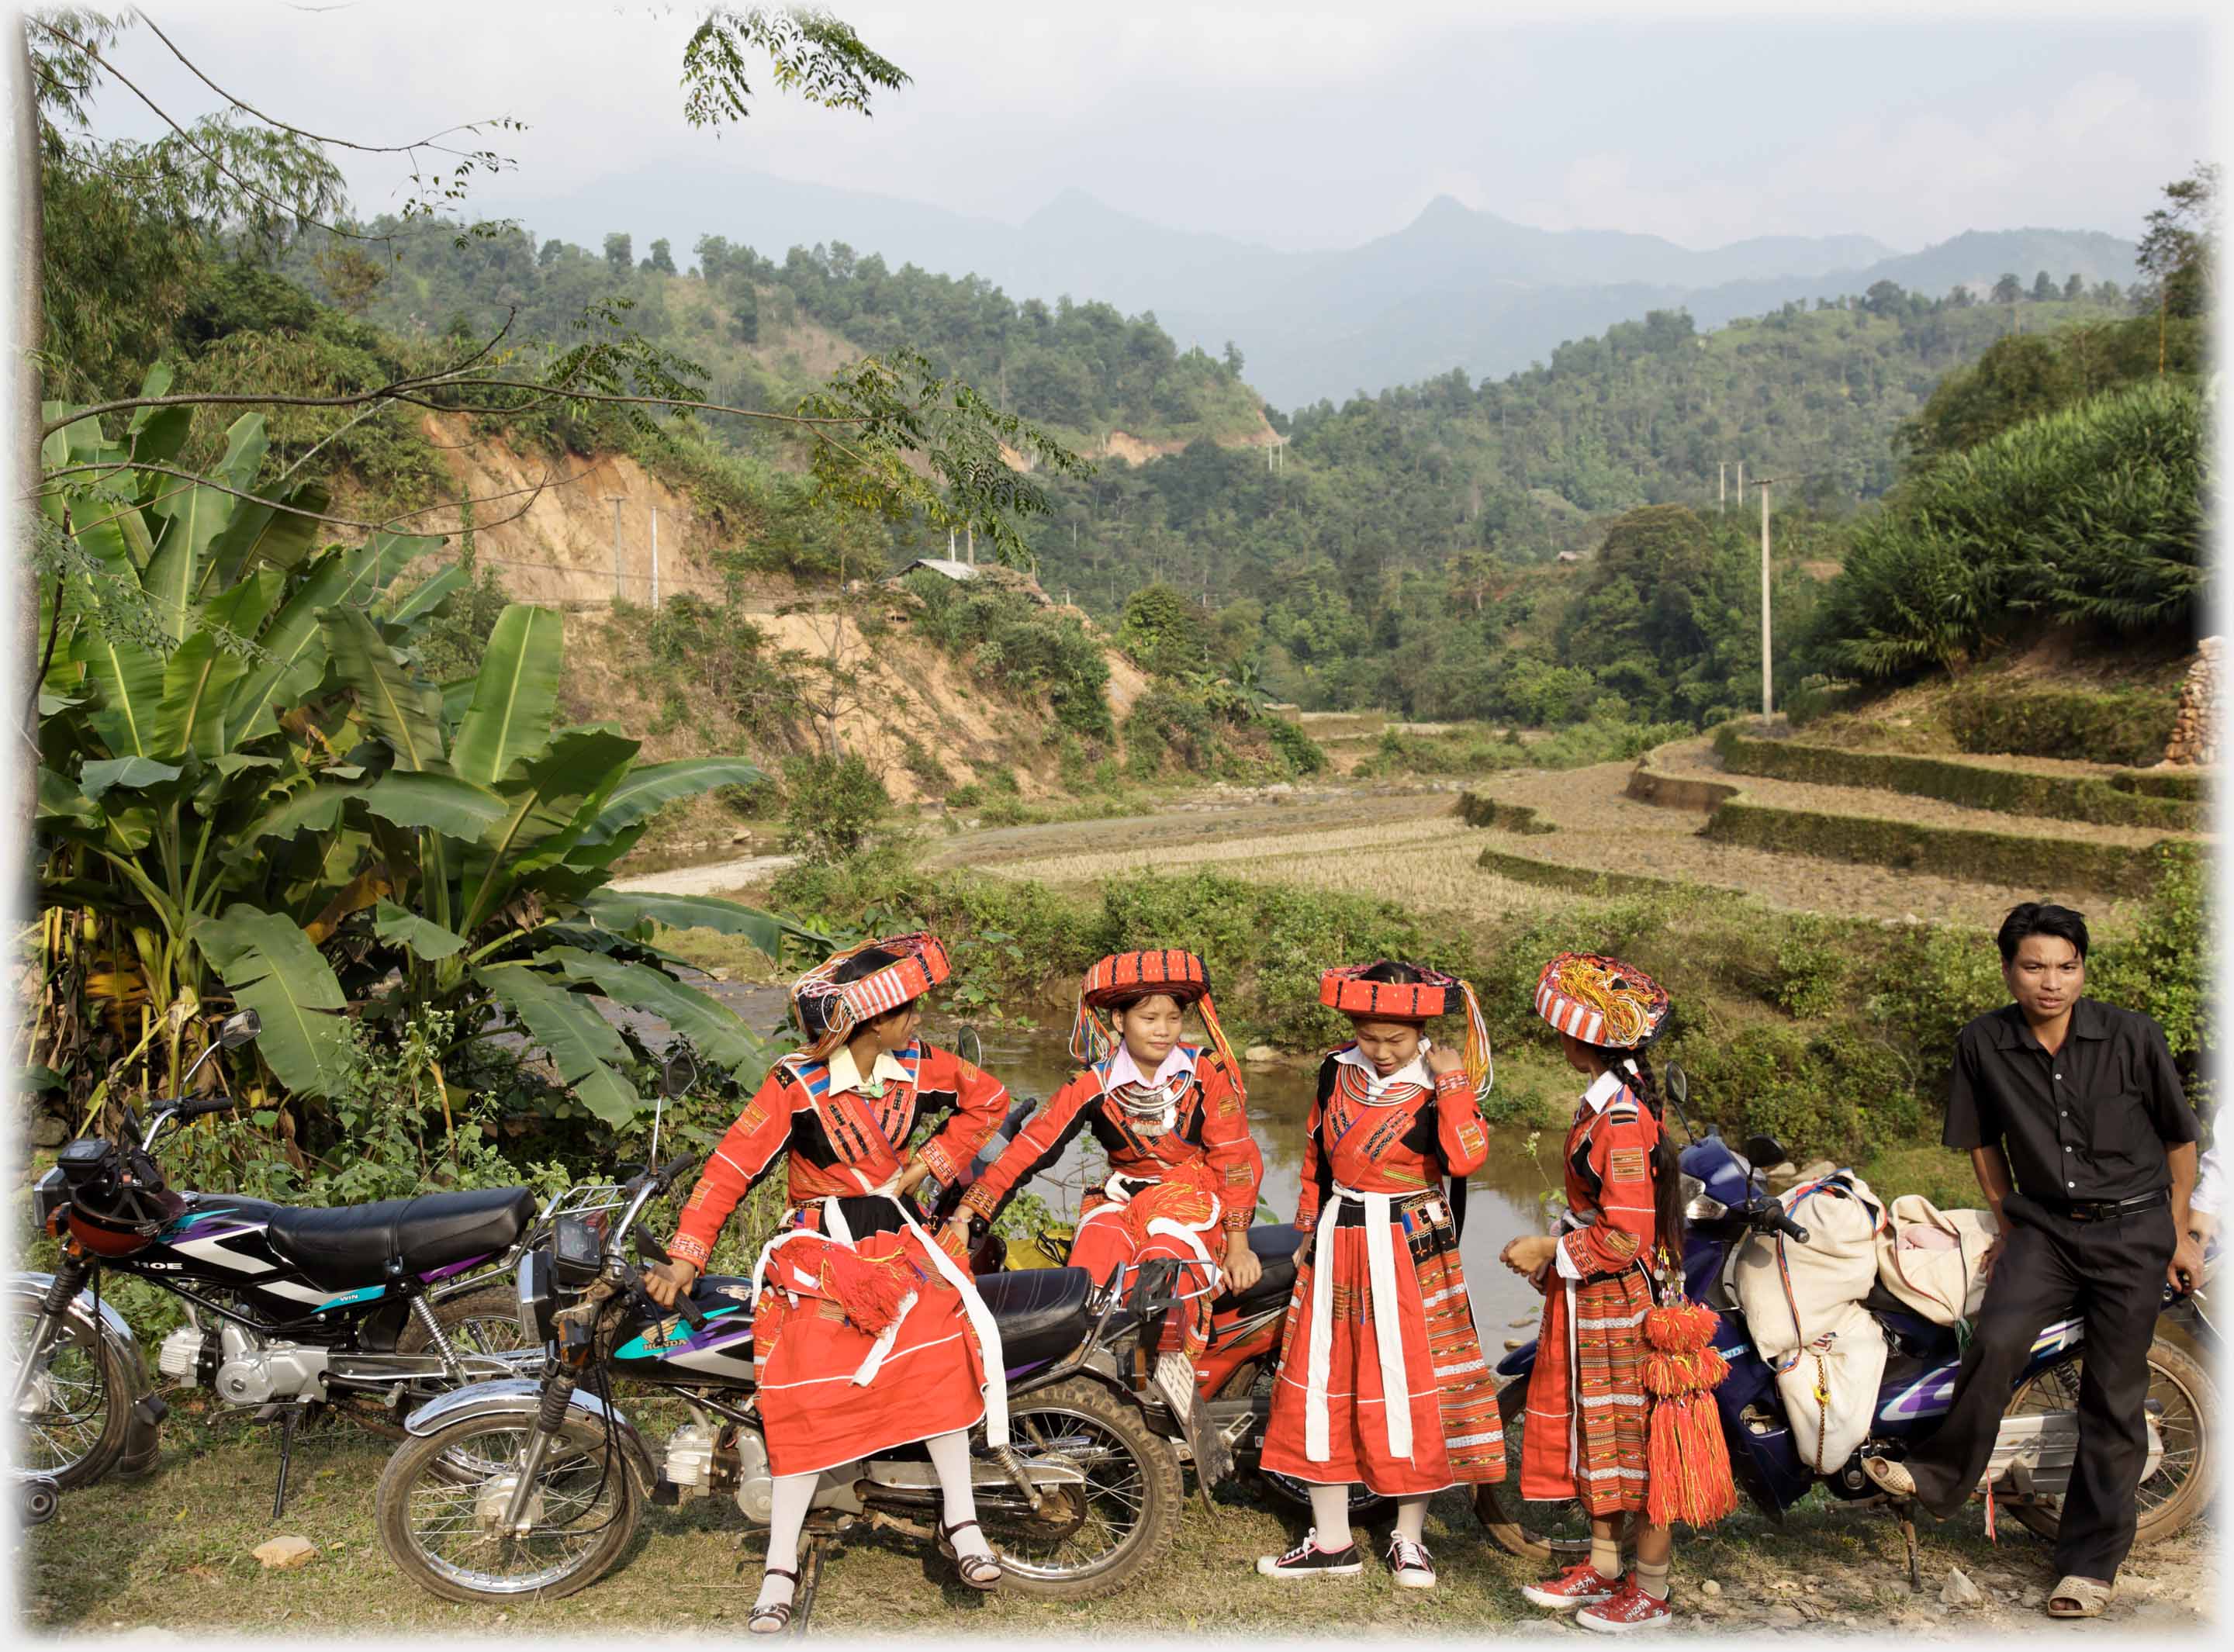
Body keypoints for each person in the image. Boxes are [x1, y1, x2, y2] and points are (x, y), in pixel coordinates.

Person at [642, 934, 1014, 1631]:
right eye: (909, 1010)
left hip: (898, 1235)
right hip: (817, 1248)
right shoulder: (793, 1084)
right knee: (805, 1370)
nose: (917, 1020)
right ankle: (780, 1561)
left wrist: (930, 1159)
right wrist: (687, 1257)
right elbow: (730, 1169)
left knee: (938, 1334)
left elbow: (990, 1101)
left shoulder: (920, 1065)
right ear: (875, 1021)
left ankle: (961, 1522)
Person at [1862, 902, 2201, 1619]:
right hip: (2044, 1231)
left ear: (2083, 969)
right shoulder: (1983, 1042)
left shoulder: (2133, 1035)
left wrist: (2179, 1233)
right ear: (2009, 970)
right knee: (1995, 1339)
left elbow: (2178, 1140)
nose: (2052, 981)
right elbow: (1981, 1138)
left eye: (2066, 966)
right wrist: (2007, 1210)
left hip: (2133, 1231)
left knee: (2112, 1396)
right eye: (2035, 966)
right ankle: (1938, 1478)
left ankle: (2088, 1566)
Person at [946, 949, 1264, 1462]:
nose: (1163, 1030)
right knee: (1087, 1276)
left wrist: (1240, 1243)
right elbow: (1032, 1148)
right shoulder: (1091, 1084)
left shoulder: (1207, 1074)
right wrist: (970, 1211)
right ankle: (1092, 1401)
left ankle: (1164, 1400)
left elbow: (1236, 1158)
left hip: (1190, 1195)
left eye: (1173, 1018)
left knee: (1165, 1264)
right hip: (1120, 1196)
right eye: (1149, 1018)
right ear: (1119, 1020)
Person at [1254, 960, 1503, 1589]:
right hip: (1341, 1236)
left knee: (1408, 1376)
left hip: (1410, 1241)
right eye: (1371, 1038)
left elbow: (1467, 1155)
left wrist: (1452, 1084)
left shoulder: (1438, 1080)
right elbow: (1315, 1154)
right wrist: (1307, 1228)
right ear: (1353, 1029)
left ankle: (1409, 1537)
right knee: (1324, 1372)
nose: (1384, 1052)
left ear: (1421, 1032)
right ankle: (1332, 1538)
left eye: (1397, 1040)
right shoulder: (1336, 1072)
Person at [1503, 952, 1688, 1634]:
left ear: (1582, 1042)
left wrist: (1549, 1250)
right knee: (1601, 1435)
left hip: (1624, 1305)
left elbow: (1624, 1240)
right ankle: (1606, 1568)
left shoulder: (1620, 1123)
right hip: (1596, 1301)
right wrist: (1554, 1257)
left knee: (1635, 1445)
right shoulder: (1612, 1101)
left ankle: (1652, 1593)